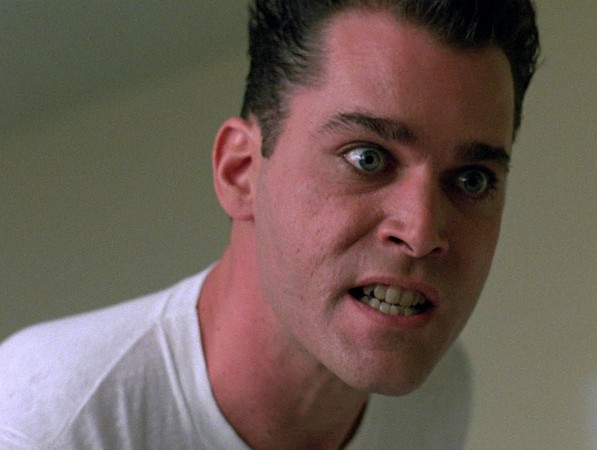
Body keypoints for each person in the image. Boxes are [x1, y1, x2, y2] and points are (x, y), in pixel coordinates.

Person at [0, 0, 540, 448]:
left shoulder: (437, 396)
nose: (421, 233)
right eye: (367, 158)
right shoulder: (49, 420)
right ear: (240, 172)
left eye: (472, 180)